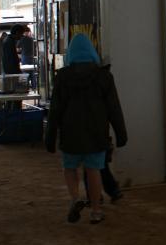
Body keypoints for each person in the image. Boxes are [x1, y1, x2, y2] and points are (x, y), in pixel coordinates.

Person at [44, 33, 127, 225]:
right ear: (91, 52)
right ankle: (96, 211)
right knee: (94, 170)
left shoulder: (62, 77)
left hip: (70, 132)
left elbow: (55, 109)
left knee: (70, 167)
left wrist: (50, 137)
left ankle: (75, 198)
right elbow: (114, 108)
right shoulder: (104, 76)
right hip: (96, 133)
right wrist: (121, 133)